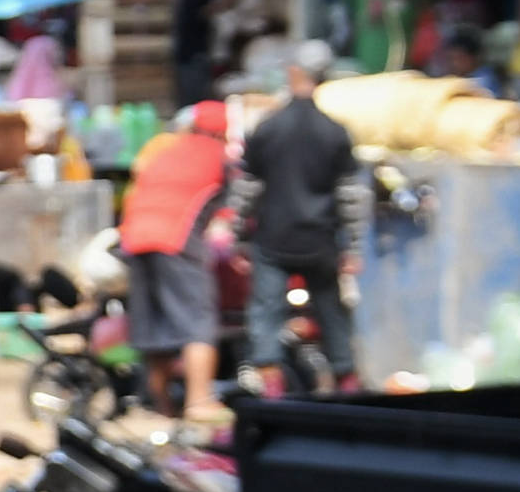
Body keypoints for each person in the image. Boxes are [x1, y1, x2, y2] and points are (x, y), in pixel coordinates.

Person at [240, 46, 358, 390]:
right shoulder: (334, 131)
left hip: (273, 240)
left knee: (265, 312)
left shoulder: (268, 127)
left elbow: (248, 189)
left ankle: (272, 387)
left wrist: (234, 233)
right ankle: (346, 379)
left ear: (293, 73)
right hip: (320, 240)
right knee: (332, 312)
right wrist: (353, 246)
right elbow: (351, 197)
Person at [118, 98, 234, 422]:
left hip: (134, 239)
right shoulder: (218, 157)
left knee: (156, 330)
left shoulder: (164, 151)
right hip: (175, 239)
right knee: (198, 322)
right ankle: (199, 401)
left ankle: (161, 408)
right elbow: (231, 214)